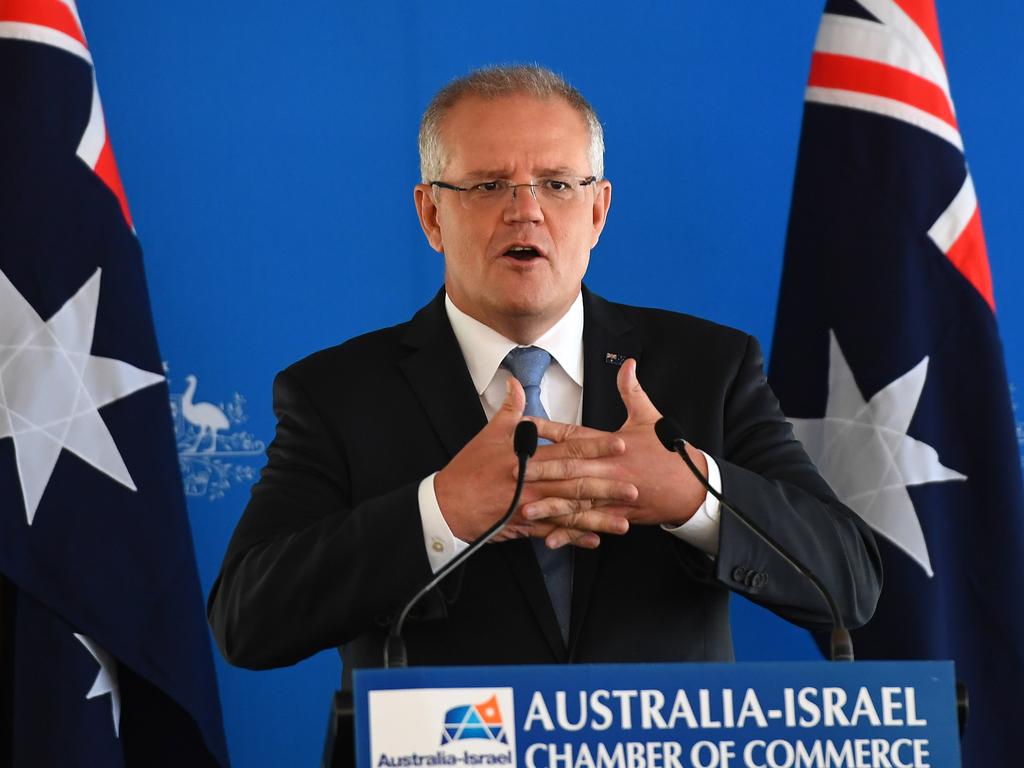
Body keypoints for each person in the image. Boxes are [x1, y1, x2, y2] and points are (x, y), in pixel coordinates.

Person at [207, 65, 881, 685]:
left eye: (557, 184)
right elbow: (248, 619)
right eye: (488, 185)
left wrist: (694, 495)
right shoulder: (338, 393)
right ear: (431, 214)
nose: (525, 210)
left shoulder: (709, 367)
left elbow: (850, 582)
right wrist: (443, 510)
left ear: (597, 210)